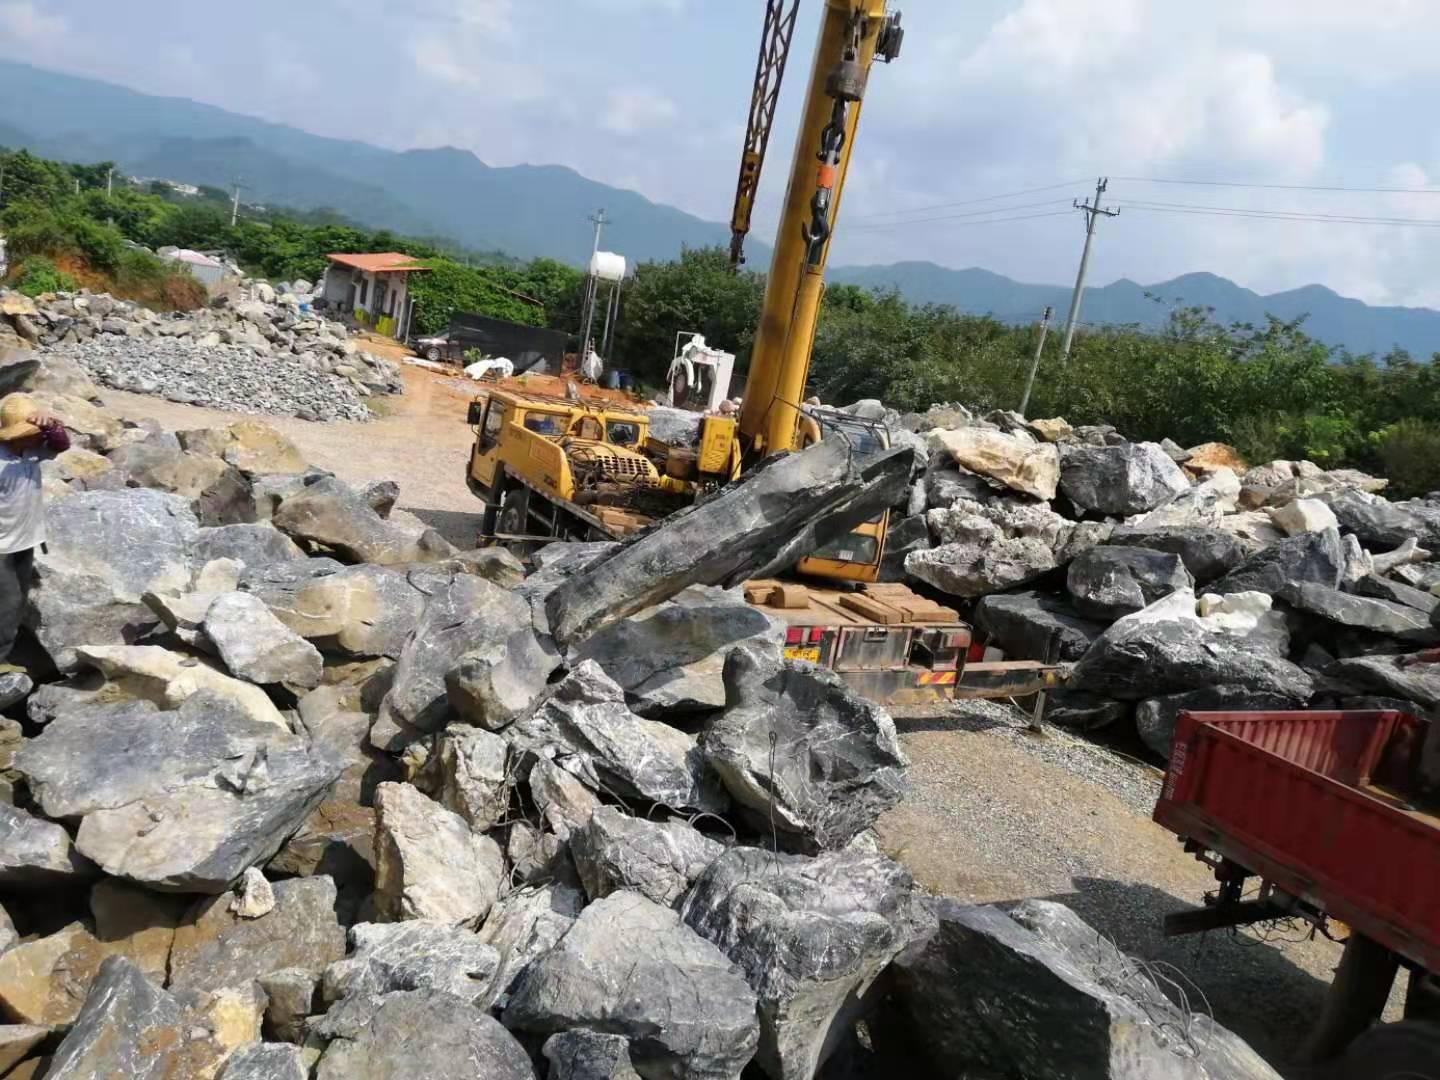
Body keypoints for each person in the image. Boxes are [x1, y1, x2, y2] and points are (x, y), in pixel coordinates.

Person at [0, 392, 68, 666]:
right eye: (32, 432)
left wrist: (52, 425)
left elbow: (61, 444)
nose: (38, 436)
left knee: (18, 600)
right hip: (2, 546)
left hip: (26, 539)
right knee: (7, 603)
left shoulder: (32, 452)